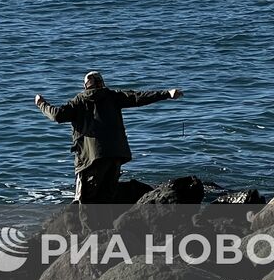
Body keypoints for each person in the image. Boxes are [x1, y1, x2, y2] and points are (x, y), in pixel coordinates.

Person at [34, 71, 182, 204]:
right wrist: (167, 94)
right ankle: (105, 230)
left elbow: (57, 115)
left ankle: (89, 232)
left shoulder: (79, 101)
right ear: (103, 83)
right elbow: (139, 97)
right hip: (116, 155)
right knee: (107, 197)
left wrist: (41, 104)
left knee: (85, 200)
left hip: (91, 159)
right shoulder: (113, 96)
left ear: (85, 86)